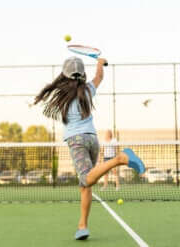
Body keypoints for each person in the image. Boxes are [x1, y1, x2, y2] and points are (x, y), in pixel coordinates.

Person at [34, 56, 145, 240]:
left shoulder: (62, 92)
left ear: (64, 74)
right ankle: (82, 226)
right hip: (92, 140)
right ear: (82, 74)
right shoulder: (87, 90)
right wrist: (100, 63)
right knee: (85, 185)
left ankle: (121, 158)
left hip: (76, 141)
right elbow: (99, 77)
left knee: (86, 179)